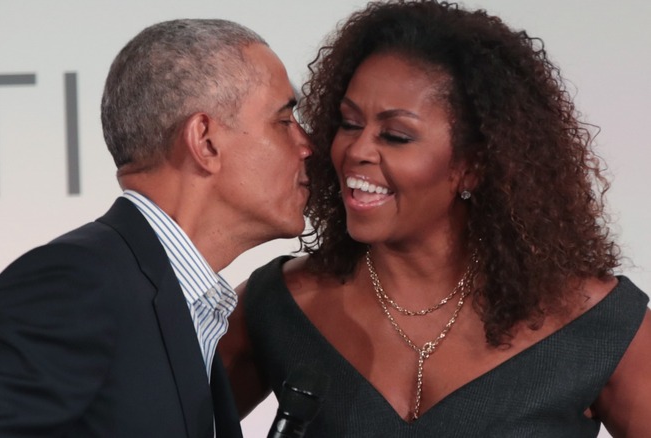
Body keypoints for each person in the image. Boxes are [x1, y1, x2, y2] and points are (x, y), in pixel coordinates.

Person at [219, 1, 651, 436]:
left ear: (473, 164)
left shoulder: (599, 327)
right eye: (349, 124)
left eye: (396, 136)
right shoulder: (278, 306)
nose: (356, 151)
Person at [0, 18, 311, 438]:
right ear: (205, 142)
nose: (306, 145)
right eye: (284, 121)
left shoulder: (185, 306)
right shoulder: (76, 284)